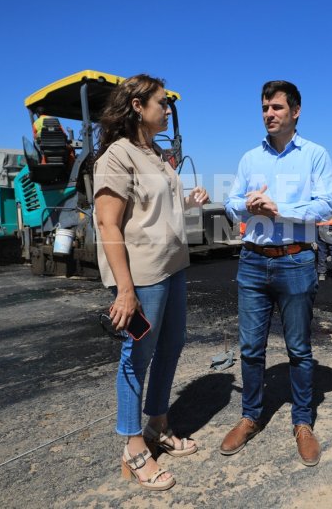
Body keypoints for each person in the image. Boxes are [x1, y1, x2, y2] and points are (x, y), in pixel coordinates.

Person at [93, 74, 210, 491]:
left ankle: (158, 421)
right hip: (142, 277)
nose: (168, 110)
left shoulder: (155, 153)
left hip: (172, 266)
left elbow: (156, 205)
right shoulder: (117, 156)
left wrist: (188, 200)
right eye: (163, 103)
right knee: (136, 356)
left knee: (172, 345)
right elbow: (108, 223)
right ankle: (132, 444)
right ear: (138, 106)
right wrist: (125, 290)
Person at [221, 80, 332, 466]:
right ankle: (250, 416)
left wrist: (279, 209)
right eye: (266, 108)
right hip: (253, 261)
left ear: (296, 111)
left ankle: (302, 423)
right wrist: (246, 206)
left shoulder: (315, 155)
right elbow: (232, 203)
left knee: (299, 349)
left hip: (296, 260)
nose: (270, 114)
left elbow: (325, 205)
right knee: (251, 348)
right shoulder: (250, 158)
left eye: (277, 108)